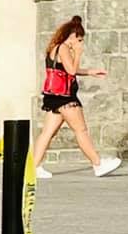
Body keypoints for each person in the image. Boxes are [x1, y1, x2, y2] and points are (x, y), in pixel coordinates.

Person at [32, 15, 121, 180]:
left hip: (53, 96)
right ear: (72, 36)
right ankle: (98, 164)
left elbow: (66, 69)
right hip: (66, 97)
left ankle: (34, 167)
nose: (80, 43)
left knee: (47, 133)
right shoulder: (64, 48)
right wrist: (78, 54)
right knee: (81, 130)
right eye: (79, 40)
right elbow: (72, 70)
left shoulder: (55, 48)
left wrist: (90, 72)